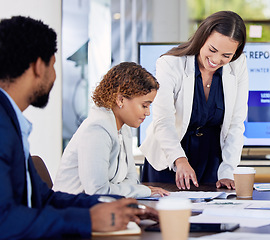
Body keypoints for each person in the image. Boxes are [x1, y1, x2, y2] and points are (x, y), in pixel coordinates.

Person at [0, 16, 157, 239]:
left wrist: (111, 206)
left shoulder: (11, 121)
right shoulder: (3, 127)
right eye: (53, 66)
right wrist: (90, 219)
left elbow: (45, 199)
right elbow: (4, 221)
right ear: (38, 66)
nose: (54, 76)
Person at [139, 11, 248, 190]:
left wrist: (228, 171)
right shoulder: (170, 63)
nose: (216, 60)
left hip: (212, 161)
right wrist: (179, 160)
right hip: (168, 157)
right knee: (166, 215)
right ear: (202, 38)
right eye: (212, 50)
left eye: (226, 55)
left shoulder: (238, 64)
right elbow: (163, 120)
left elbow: (236, 123)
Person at [53, 62, 169, 198]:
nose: (148, 113)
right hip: (73, 210)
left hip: (100, 207)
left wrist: (131, 189)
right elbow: (98, 191)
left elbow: (132, 179)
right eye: (144, 105)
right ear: (120, 100)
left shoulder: (123, 128)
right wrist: (144, 191)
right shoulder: (97, 130)